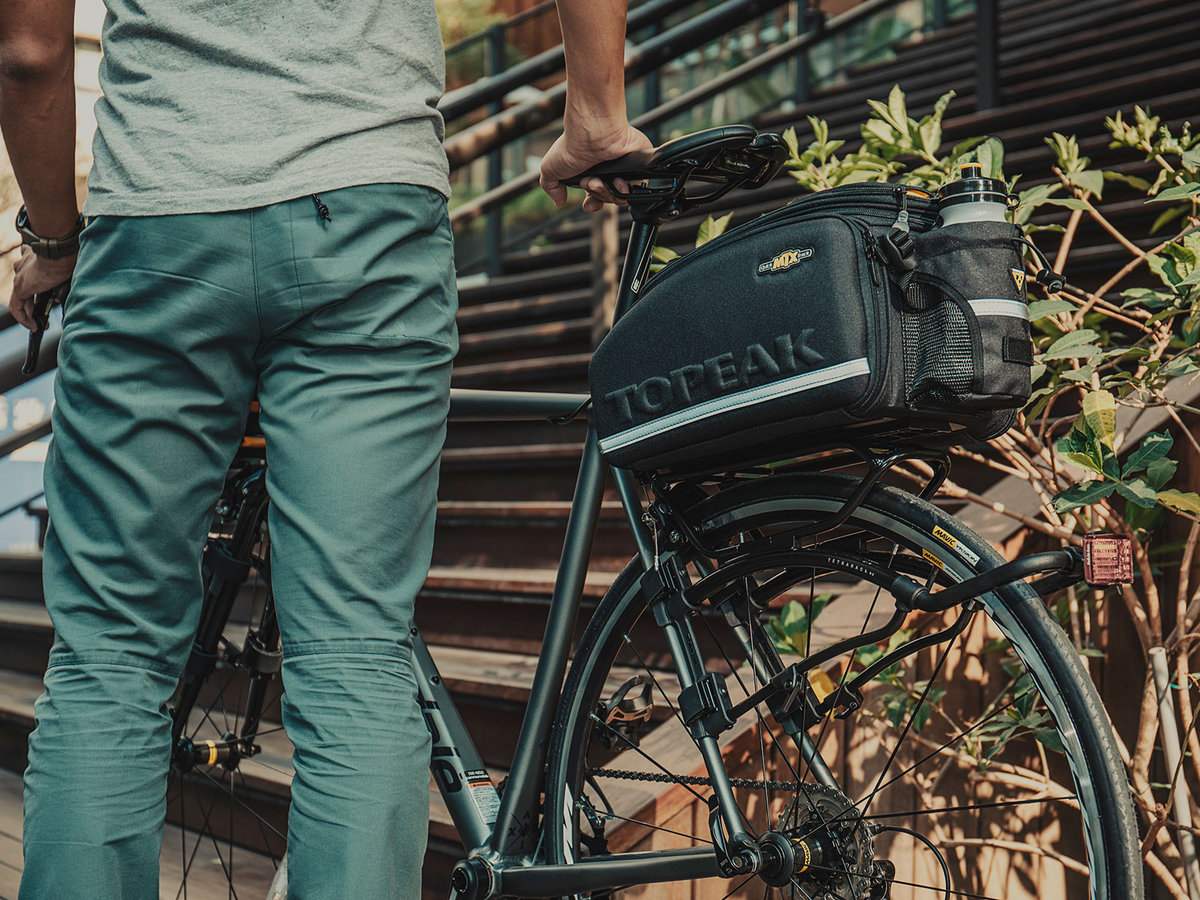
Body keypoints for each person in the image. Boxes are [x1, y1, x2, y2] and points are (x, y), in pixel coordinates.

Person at [0, 0, 649, 895]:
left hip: (161, 216)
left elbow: (30, 53)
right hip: (368, 206)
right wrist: (595, 115)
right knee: (353, 649)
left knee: (111, 653)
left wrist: (55, 238)